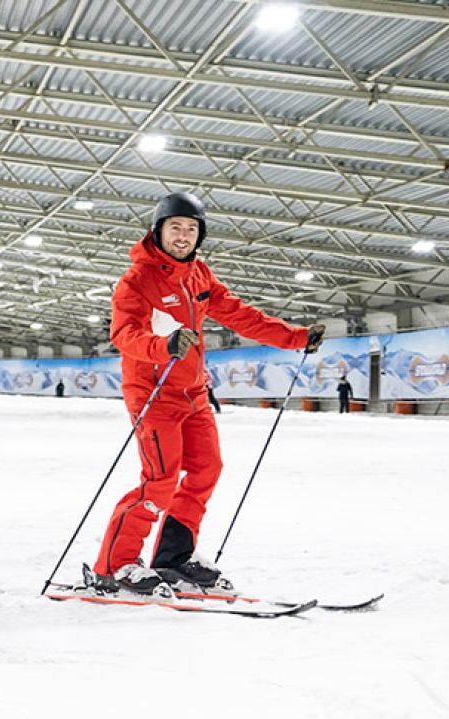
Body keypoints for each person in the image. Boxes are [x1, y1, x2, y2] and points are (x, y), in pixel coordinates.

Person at [94, 192, 325, 594]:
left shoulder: (199, 276)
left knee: (206, 470)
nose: (183, 236)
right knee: (159, 481)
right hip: (154, 393)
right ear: (158, 230)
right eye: (175, 227)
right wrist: (161, 346)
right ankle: (115, 565)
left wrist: (296, 338)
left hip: (194, 395)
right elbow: (125, 334)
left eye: (191, 229)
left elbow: (240, 315)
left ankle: (174, 557)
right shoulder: (138, 279)